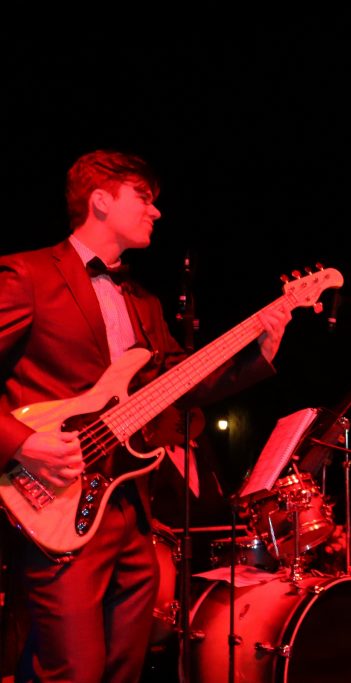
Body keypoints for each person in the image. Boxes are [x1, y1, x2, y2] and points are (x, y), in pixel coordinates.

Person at [0, 149, 290, 682]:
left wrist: (260, 350)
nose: (156, 211)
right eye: (144, 198)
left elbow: (183, 383)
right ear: (100, 200)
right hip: (54, 496)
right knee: (72, 671)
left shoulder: (144, 302)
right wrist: (21, 441)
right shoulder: (28, 274)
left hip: (130, 509)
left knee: (124, 667)